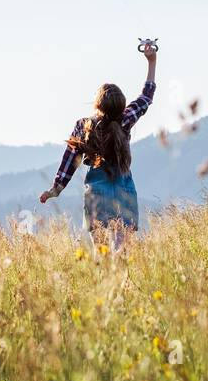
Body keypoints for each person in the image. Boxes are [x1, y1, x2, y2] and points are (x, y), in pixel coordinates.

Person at [39, 44, 158, 250]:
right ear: (121, 106)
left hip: (97, 196)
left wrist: (56, 188)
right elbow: (146, 97)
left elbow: (69, 161)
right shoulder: (126, 120)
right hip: (124, 192)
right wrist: (151, 61)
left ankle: (105, 282)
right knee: (121, 253)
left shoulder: (84, 127)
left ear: (97, 105)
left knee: (102, 256)